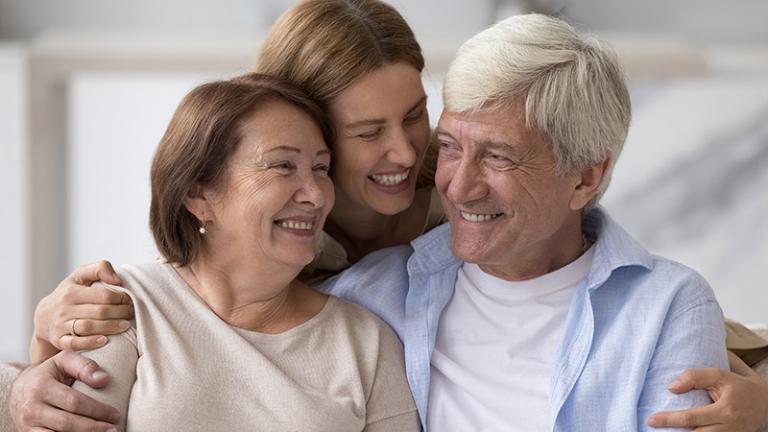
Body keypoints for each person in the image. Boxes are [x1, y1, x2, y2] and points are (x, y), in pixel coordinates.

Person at [8, 1, 768, 431]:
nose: (410, 155)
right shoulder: (308, 269)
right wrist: (37, 357)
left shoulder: (466, 204)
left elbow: (651, 312)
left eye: (415, 117)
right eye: (366, 134)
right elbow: (180, 313)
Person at [13, 73, 420, 431]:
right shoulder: (128, 307)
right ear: (198, 194)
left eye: (320, 168)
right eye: (282, 166)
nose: (315, 194)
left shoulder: (367, 342)